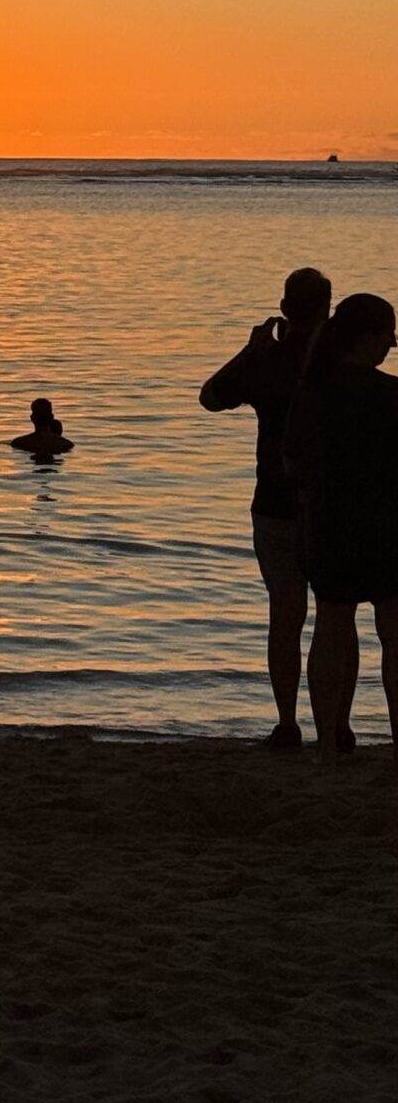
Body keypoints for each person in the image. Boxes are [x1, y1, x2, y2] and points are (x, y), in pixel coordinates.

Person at [199, 266, 331, 747]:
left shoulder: (270, 361)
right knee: (333, 616)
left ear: (283, 309)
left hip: (274, 503)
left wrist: (250, 350)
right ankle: (334, 724)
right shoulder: (337, 363)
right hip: (326, 503)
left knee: (286, 614)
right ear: (326, 309)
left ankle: (288, 721)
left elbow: (210, 398)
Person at [284, 293, 398, 764]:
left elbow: (293, 464)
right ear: (367, 338)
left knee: (331, 628)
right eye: (388, 333)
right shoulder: (392, 395)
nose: (392, 342)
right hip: (389, 528)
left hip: (330, 526)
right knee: (393, 634)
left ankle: (328, 744)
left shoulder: (312, 392)